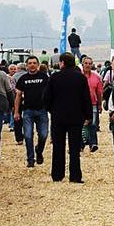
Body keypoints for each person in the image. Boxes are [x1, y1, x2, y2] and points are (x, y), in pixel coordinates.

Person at [45, 53, 90, 182]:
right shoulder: (81, 78)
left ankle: (57, 175)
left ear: (62, 63)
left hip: (58, 117)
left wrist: (52, 110)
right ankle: (75, 176)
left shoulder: (54, 77)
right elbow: (86, 98)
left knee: (58, 146)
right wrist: (87, 115)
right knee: (75, 148)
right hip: (76, 117)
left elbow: (47, 97)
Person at [13, 56, 49, 168]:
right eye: (30, 63)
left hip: (42, 110)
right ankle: (30, 159)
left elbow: (50, 93)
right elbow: (18, 96)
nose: (32, 65)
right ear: (27, 65)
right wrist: (16, 112)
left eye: (34, 63)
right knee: (28, 136)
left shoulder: (44, 77)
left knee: (43, 135)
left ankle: (39, 150)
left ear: (38, 65)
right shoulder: (23, 79)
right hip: (28, 111)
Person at [80, 56, 102, 153]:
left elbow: (99, 92)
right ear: (82, 64)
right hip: (80, 105)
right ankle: (80, 145)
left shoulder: (96, 77)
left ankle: (93, 144)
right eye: (86, 63)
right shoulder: (78, 76)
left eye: (89, 63)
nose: (88, 65)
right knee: (81, 125)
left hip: (93, 103)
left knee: (93, 124)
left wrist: (100, 104)